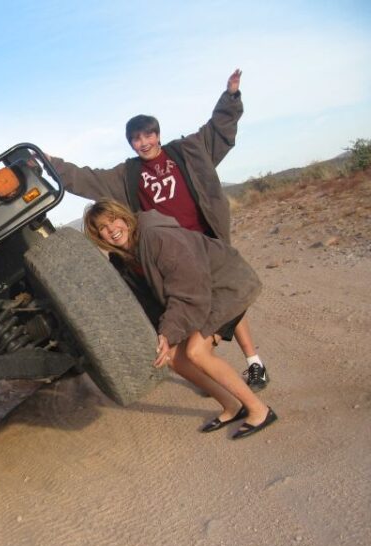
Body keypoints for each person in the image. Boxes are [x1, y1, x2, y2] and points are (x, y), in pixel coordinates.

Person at [49, 69, 270, 392]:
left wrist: (231, 97)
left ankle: (253, 363)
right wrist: (54, 165)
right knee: (194, 306)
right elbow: (88, 179)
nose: (144, 143)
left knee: (226, 301)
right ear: (131, 143)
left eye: (148, 135)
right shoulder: (128, 174)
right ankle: (214, 372)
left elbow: (219, 130)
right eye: (137, 139)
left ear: (158, 135)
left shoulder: (188, 152)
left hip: (205, 239)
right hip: (168, 250)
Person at [83, 200, 277, 439]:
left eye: (114, 219)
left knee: (197, 351)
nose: (112, 229)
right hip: (200, 294)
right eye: (103, 227)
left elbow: (189, 288)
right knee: (173, 357)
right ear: (98, 236)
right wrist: (162, 337)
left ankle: (259, 410)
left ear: (125, 217)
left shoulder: (157, 237)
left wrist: (170, 331)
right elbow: (149, 302)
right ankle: (231, 405)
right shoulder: (123, 258)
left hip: (225, 285)